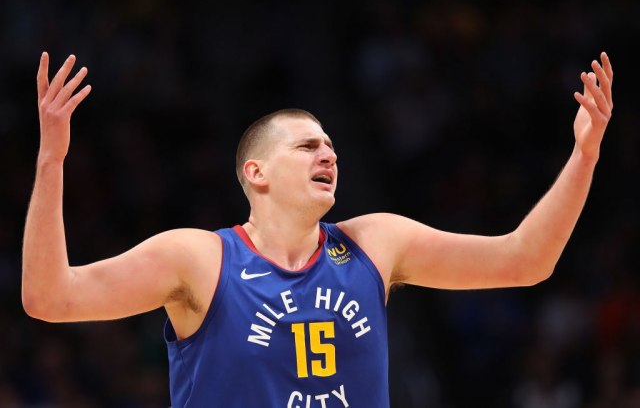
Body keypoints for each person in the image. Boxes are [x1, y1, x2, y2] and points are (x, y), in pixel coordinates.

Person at [22, 51, 613, 407]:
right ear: (256, 173)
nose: (327, 154)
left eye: (330, 146)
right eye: (307, 146)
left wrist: (584, 157)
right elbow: (49, 298)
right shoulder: (198, 258)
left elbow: (525, 260)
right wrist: (51, 160)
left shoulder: (374, 242)